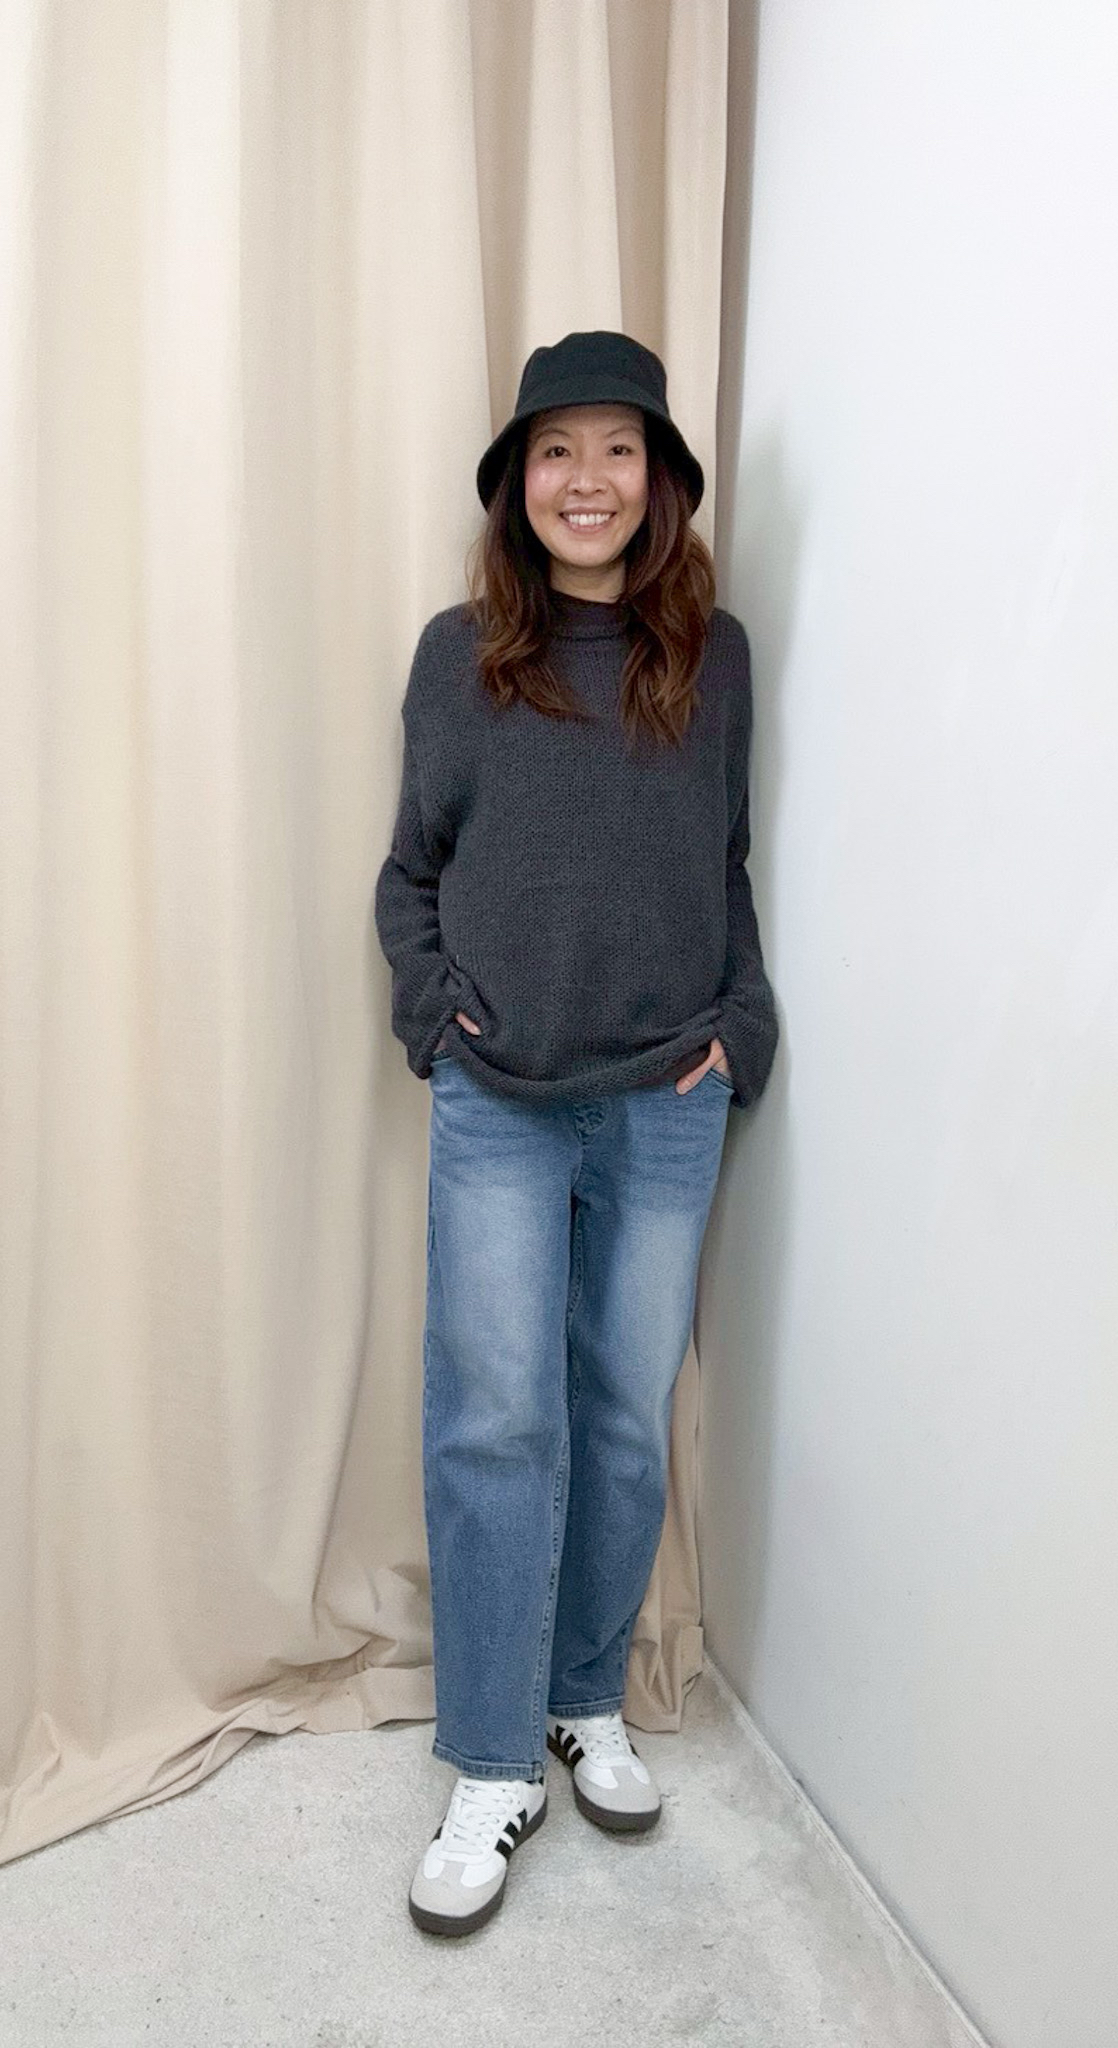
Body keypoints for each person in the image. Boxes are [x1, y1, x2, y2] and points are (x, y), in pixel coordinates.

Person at [374, 329, 778, 1936]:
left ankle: (580, 1697)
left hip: (669, 1097)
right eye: (557, 450)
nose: (587, 480)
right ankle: (491, 1761)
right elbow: (410, 875)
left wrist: (741, 1026)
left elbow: (724, 862)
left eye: (619, 449)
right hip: (501, 1099)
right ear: (518, 485)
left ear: (660, 482)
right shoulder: (458, 657)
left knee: (621, 1416)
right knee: (497, 1420)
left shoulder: (716, 659)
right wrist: (432, 1013)